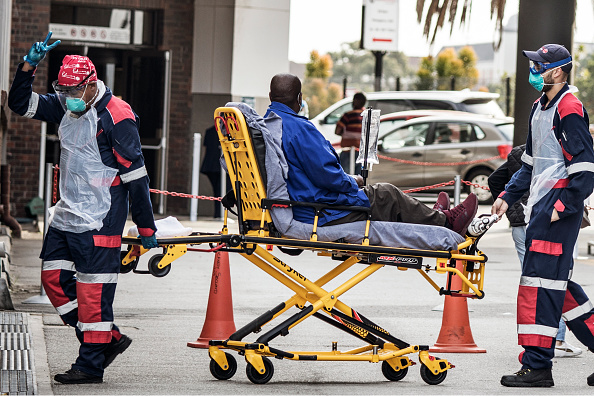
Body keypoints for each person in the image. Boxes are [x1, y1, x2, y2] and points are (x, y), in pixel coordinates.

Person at [8, 32, 158, 384]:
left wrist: (146, 227)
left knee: (92, 293)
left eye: (75, 92)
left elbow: (136, 176)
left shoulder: (117, 116)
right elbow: (19, 103)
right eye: (64, 92)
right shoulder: (65, 102)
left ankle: (90, 364)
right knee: (54, 281)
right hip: (68, 213)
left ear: (92, 85)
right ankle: (108, 338)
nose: (69, 99)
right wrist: (29, 66)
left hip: (101, 219)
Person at [492, 44, 594, 388]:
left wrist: (560, 210)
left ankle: (537, 366)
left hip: (555, 213)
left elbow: (586, 171)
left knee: (539, 287)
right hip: (541, 207)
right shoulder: (541, 107)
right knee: (556, 286)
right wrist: (508, 195)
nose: (535, 70)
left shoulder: (569, 109)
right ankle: (538, 364)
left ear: (558, 71)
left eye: (540, 65)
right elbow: (530, 164)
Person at [264, 73, 477, 236]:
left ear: (271, 97)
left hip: (301, 203)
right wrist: (352, 181)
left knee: (382, 197)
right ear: (300, 98)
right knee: (387, 195)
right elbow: (328, 176)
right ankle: (447, 223)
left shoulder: (266, 126)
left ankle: (432, 216)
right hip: (320, 210)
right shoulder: (299, 129)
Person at [488, 144, 583, 358]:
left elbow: (495, 179)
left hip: (523, 222)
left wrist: (510, 205)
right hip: (543, 220)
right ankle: (556, 340)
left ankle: (541, 345)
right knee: (551, 281)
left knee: (535, 282)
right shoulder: (558, 151)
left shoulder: (520, 153)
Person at [335, 92, 366, 175]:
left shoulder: (347, 115)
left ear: (355, 101)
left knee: (346, 178)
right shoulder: (367, 116)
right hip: (362, 152)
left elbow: (337, 131)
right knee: (360, 179)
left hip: (347, 151)